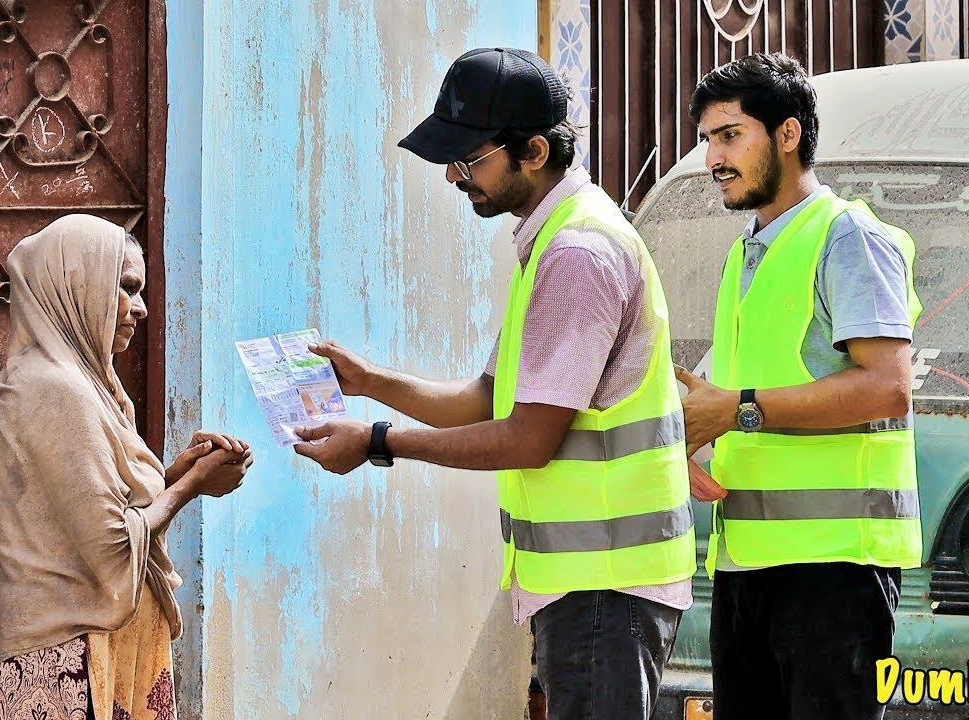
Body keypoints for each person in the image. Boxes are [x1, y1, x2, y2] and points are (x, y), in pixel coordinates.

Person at [292, 47, 697, 718]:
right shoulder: (552, 239)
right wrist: (368, 382)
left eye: (470, 159)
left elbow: (528, 437)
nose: (454, 177)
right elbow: (488, 399)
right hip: (589, 586)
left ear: (534, 151)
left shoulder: (576, 253)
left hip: (606, 587)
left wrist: (377, 442)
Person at [675, 53, 922, 720]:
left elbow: (887, 388)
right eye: (706, 140)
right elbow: (747, 392)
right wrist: (696, 427)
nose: (712, 158)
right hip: (744, 568)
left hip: (835, 574)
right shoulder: (744, 254)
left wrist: (737, 410)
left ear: (788, 134)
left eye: (730, 135)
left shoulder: (848, 236)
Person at [0, 214, 254, 720]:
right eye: (128, 288)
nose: (142, 308)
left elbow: (92, 511)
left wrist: (176, 473)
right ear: (77, 283)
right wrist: (191, 487)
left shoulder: (92, 388)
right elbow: (112, 546)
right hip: (53, 668)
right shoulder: (51, 388)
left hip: (92, 657)